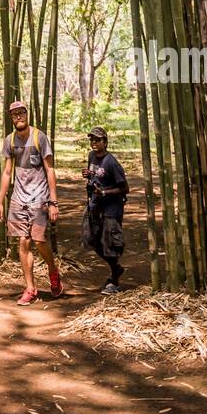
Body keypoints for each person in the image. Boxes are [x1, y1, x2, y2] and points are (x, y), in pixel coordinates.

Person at [0, 100, 63, 304]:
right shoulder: (9, 141)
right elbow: (7, 172)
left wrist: (53, 202)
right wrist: (0, 202)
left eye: (21, 113)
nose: (18, 117)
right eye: (14, 114)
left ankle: (53, 271)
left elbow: (50, 169)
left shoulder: (38, 137)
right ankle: (31, 289)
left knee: (40, 241)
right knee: (23, 241)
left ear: (27, 114)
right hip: (19, 198)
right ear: (11, 118)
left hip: (40, 196)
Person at [81, 125, 128, 293]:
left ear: (105, 142)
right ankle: (116, 267)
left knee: (110, 244)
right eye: (92, 139)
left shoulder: (112, 163)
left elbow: (124, 188)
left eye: (98, 140)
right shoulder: (92, 156)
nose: (94, 142)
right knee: (90, 239)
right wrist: (88, 176)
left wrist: (104, 192)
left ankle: (114, 282)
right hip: (95, 205)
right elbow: (96, 176)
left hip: (111, 209)